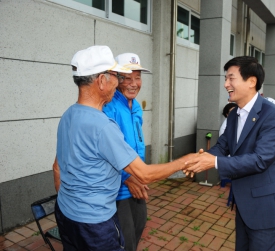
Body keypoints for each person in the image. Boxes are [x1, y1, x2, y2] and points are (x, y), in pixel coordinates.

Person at [52, 45, 195, 251]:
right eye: (115, 75)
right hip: (95, 224)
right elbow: (144, 174)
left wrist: (70, 205)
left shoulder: (69, 114)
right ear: (102, 80)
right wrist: (184, 161)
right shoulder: (103, 125)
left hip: (67, 214)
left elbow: (57, 167)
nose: (119, 81)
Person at [185, 56, 275, 250]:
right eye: (225, 79)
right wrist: (202, 158)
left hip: (266, 209)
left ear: (252, 81)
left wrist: (214, 163)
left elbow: (260, 160)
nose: (226, 84)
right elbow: (223, 146)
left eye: (231, 78)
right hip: (244, 205)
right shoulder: (235, 114)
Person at [102, 53, 150, 251]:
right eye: (127, 78)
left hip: (137, 181)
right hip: (117, 188)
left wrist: (140, 174)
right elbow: (105, 151)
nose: (134, 83)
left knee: (139, 226)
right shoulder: (108, 107)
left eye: (137, 77)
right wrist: (127, 177)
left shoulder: (136, 106)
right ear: (116, 79)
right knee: (124, 240)